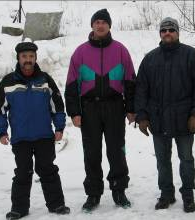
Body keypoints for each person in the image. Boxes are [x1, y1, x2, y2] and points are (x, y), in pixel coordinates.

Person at [65, 9, 136, 211]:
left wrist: (131, 108)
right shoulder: (80, 52)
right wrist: (75, 112)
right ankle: (93, 194)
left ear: (109, 25)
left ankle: (119, 190)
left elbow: (130, 81)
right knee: (92, 152)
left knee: (117, 151)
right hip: (89, 109)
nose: (100, 25)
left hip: (114, 106)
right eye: (97, 22)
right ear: (92, 25)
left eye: (104, 22)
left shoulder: (121, 50)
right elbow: (71, 85)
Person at [135, 17, 195, 212]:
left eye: (171, 30)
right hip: (158, 119)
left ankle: (188, 195)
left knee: (186, 159)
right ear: (160, 33)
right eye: (164, 30)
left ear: (177, 33)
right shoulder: (150, 59)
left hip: (185, 119)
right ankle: (166, 193)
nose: (167, 33)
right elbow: (141, 89)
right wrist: (142, 117)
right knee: (162, 160)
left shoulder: (191, 56)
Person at [0, 42, 70, 220]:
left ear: (35, 58)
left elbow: (57, 106)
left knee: (48, 169)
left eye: (31, 56)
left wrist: (59, 127)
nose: (28, 60)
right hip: (21, 138)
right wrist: (1, 132)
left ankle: (57, 204)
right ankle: (19, 208)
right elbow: (0, 110)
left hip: (44, 135)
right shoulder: (8, 82)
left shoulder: (45, 80)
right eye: (24, 56)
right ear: (18, 58)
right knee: (23, 172)